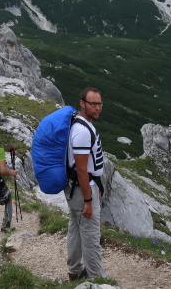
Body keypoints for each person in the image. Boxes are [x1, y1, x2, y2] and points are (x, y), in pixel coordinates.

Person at [66, 87, 106, 281]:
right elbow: (81, 169)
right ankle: (95, 278)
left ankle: (74, 271)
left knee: (75, 229)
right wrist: (89, 201)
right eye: (93, 104)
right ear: (82, 104)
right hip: (83, 190)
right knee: (90, 235)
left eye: (99, 104)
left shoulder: (79, 124)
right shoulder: (82, 131)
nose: (97, 108)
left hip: (75, 189)